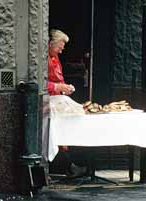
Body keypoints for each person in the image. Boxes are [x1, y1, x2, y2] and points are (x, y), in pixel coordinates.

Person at [48, 29, 87, 177]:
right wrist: (58, 87)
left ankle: (69, 164)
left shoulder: (55, 57)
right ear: (51, 43)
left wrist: (66, 88)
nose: (62, 50)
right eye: (60, 46)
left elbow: (59, 80)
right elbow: (40, 82)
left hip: (59, 99)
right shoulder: (43, 58)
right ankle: (66, 166)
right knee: (58, 132)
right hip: (49, 101)